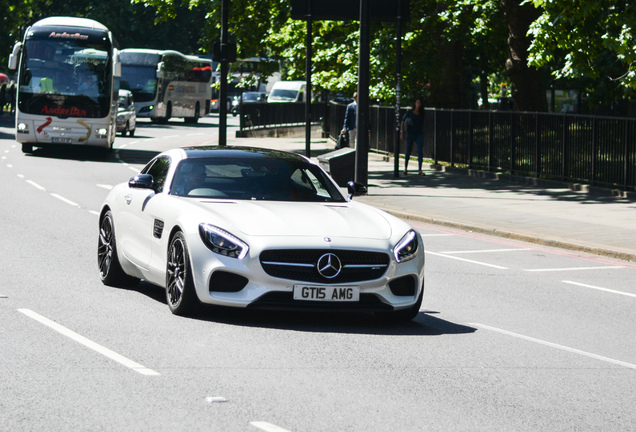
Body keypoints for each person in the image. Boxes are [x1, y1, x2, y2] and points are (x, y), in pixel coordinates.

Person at [401, 98, 425, 176]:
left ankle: (420, 169)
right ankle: (405, 168)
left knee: (419, 150)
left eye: (419, 103)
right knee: (408, 151)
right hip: (410, 133)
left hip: (418, 133)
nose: (418, 104)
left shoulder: (421, 113)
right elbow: (403, 121)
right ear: (414, 103)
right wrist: (402, 133)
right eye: (417, 102)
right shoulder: (409, 113)